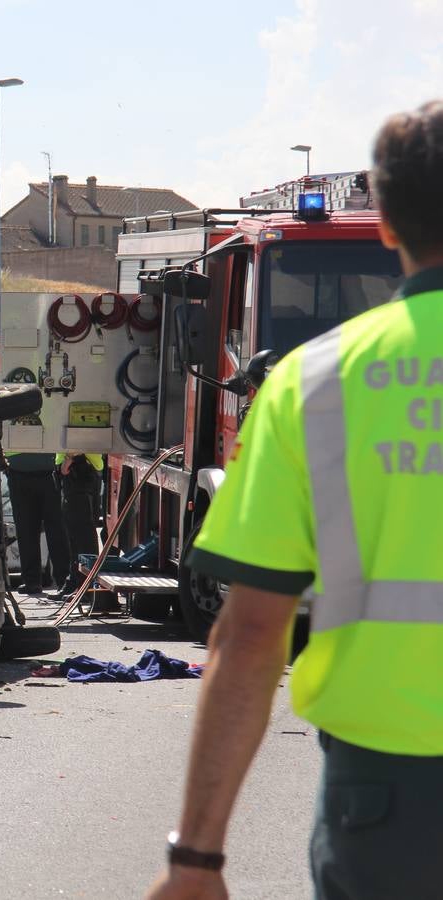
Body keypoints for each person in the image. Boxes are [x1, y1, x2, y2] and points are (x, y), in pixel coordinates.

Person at [147, 101, 443, 900]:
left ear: (385, 225)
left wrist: (196, 859)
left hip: (390, 803)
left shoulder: (316, 384)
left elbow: (248, 638)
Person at [3, 452, 71, 594]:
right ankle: (32, 581)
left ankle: (63, 580)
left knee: (56, 531)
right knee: (26, 529)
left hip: (48, 474)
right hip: (19, 473)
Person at [55, 452, 104, 599]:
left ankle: (86, 587)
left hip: (81, 469)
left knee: (83, 537)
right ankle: (75, 582)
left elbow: (81, 437)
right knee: (74, 537)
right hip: (73, 470)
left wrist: (71, 459)